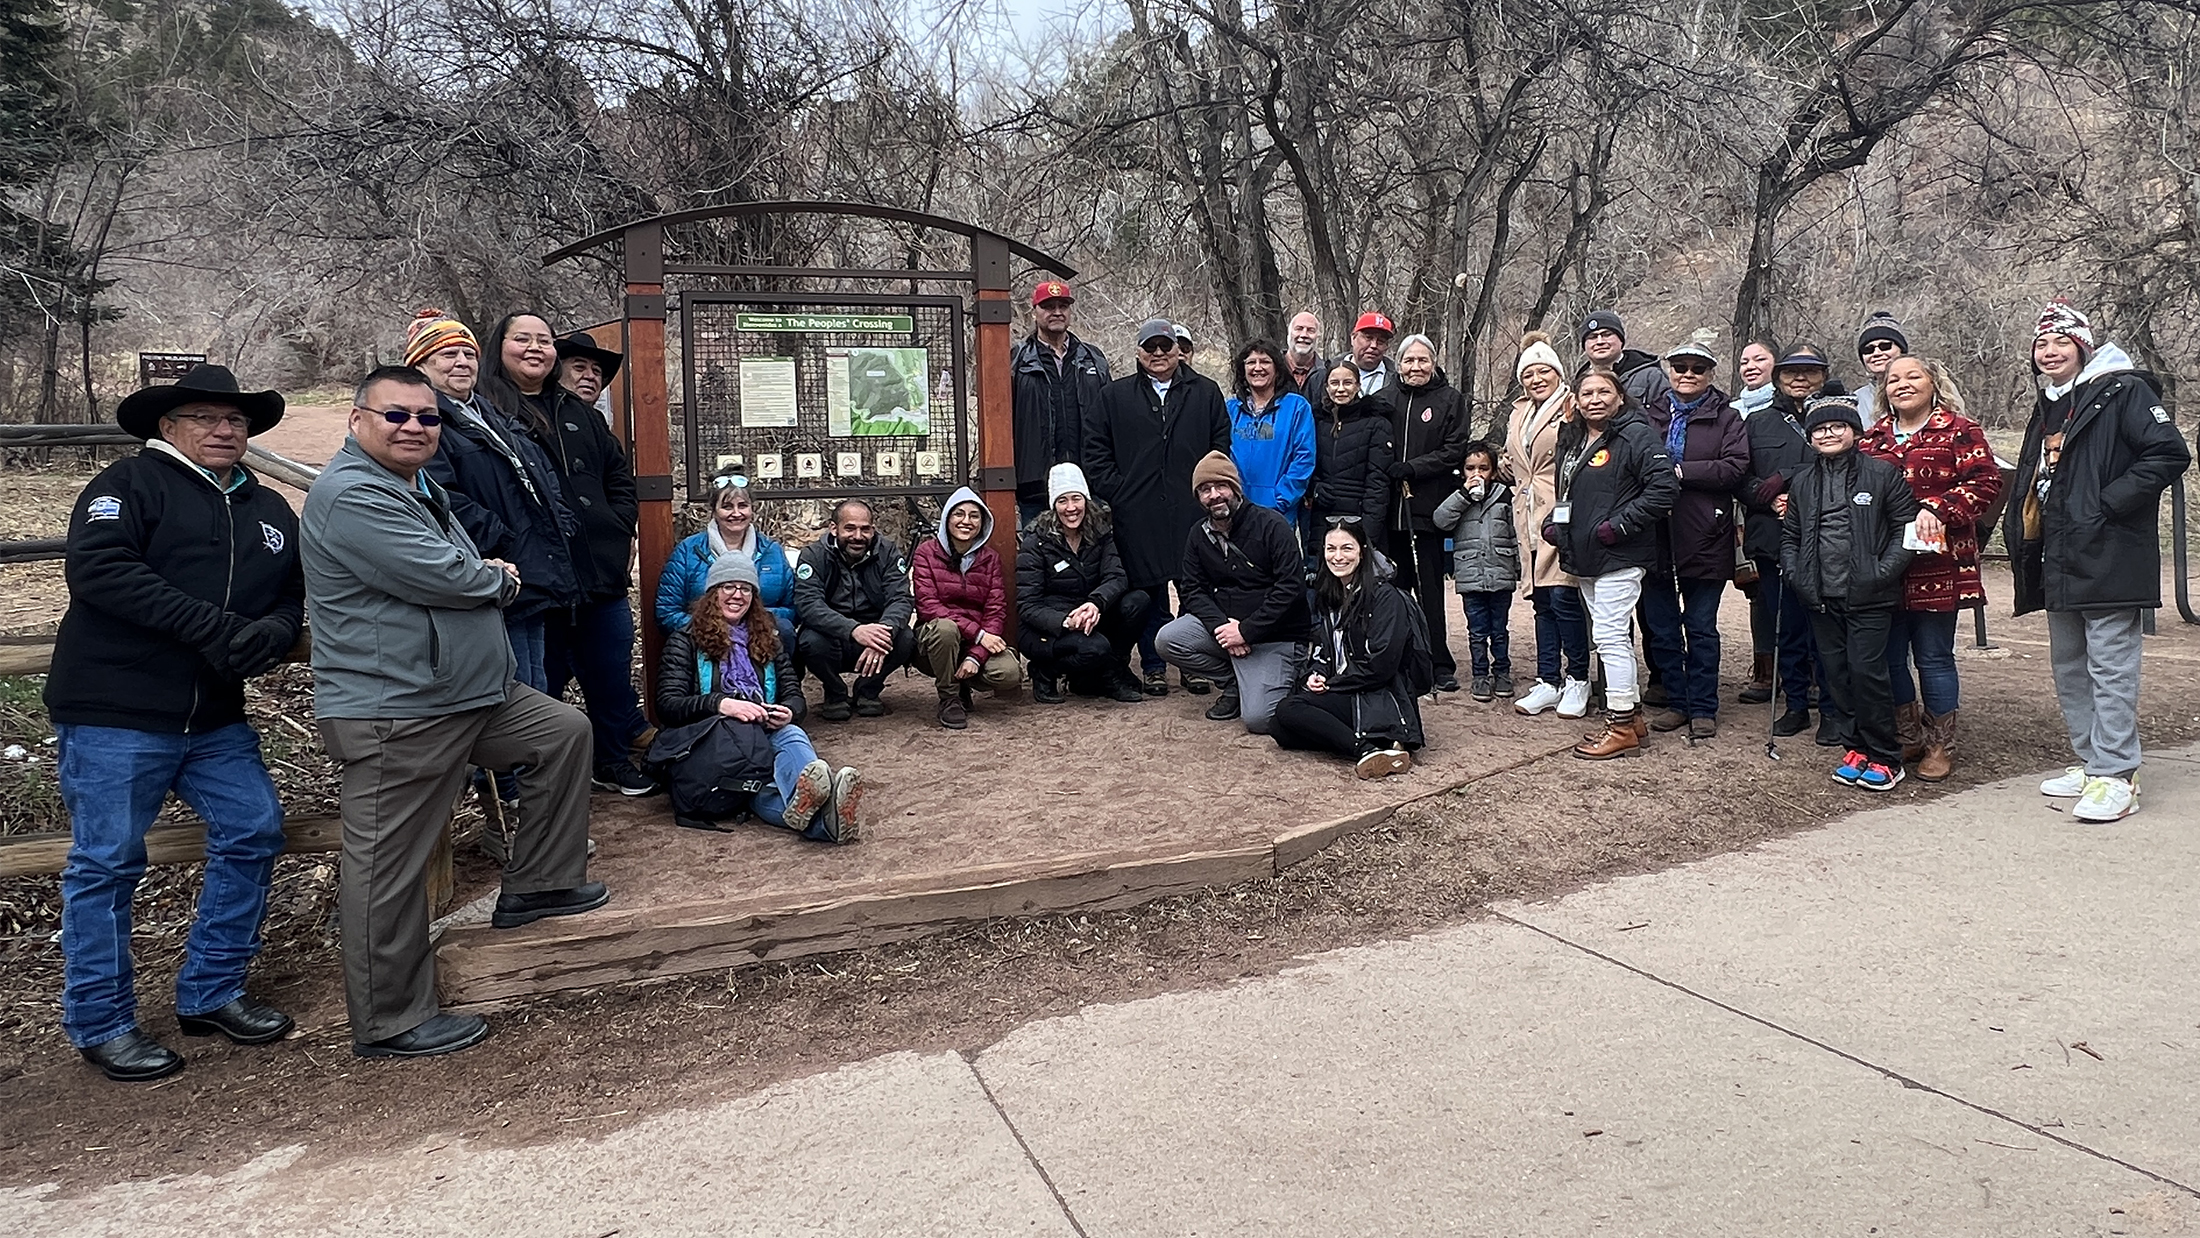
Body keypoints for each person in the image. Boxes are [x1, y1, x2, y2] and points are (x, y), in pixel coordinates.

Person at [306, 365, 606, 1060]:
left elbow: (449, 561)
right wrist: (498, 578)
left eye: (427, 417)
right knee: (387, 864)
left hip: (469, 694)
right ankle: (391, 1019)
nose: (415, 427)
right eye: (397, 415)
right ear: (358, 422)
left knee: (562, 732)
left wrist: (485, 576)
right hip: (398, 706)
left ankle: (539, 884)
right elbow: (445, 574)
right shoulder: (352, 494)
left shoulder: (416, 485)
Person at [45, 364, 303, 1083]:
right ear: (168, 426)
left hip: (214, 716)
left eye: (237, 420)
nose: (225, 430)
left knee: (253, 828)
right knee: (107, 862)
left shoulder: (269, 510)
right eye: (206, 418)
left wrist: (274, 634)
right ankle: (101, 1021)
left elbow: (291, 595)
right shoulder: (127, 486)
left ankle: (212, 989)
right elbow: (102, 572)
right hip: (115, 710)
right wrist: (217, 629)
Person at [2004, 299, 2192, 822]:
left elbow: (2169, 453)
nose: (2049, 351)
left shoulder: (2122, 390)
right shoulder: (2051, 403)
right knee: (2069, 664)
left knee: (2110, 664)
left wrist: (2106, 504)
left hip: (2108, 550)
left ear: (2083, 347)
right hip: (2059, 553)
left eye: (2061, 341)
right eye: (2041, 343)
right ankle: (2092, 762)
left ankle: (2117, 774)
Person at [481, 315, 653, 797]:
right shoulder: (491, 412)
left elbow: (619, 479)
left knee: (609, 667)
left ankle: (612, 758)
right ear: (503, 347)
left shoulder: (584, 417)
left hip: (599, 572)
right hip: (539, 578)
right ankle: (537, 785)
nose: (535, 349)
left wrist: (618, 526)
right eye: (523, 339)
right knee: (541, 681)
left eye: (543, 341)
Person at [405, 309, 579, 704]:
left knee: (537, 680)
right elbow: (439, 493)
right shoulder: (426, 421)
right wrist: (503, 539)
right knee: (510, 686)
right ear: (420, 366)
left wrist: (560, 522)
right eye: (446, 355)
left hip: (532, 569)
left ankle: (537, 764)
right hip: (490, 571)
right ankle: (513, 766)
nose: (461, 363)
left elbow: (539, 468)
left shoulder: (487, 412)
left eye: (467, 353)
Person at [1858, 356, 2003, 782]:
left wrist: (1939, 508)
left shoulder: (1960, 429)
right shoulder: (1874, 438)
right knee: (1888, 656)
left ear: (1933, 383)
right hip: (1886, 564)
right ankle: (1908, 734)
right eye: (1892, 379)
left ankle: (1940, 744)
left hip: (1938, 562)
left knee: (1933, 655)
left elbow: (1986, 481)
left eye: (1912, 376)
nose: (1901, 384)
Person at [650, 556, 860, 840]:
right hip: (716, 743)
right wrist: (720, 703)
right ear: (713, 593)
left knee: (792, 733)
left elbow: (793, 694)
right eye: (729, 587)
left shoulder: (769, 637)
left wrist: (788, 711)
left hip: (763, 733)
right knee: (762, 789)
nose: (738, 595)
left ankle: (817, 801)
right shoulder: (685, 639)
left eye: (745, 588)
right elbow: (668, 705)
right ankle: (828, 815)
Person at [1084, 316, 1232, 697]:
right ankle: (1153, 665)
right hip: (1137, 513)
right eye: (1150, 347)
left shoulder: (1205, 392)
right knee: (1149, 593)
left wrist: (1209, 492)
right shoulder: (1114, 396)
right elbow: (1095, 452)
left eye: (1165, 346)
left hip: (1192, 509)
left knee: (1195, 590)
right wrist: (1118, 492)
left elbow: (1220, 447)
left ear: (1178, 350)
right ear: (1138, 352)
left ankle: (1191, 664)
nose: (1159, 354)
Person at [1780, 392, 1919, 792]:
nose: (1828, 434)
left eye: (1837, 426)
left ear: (1854, 431)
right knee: (1836, 675)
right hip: (1820, 595)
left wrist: (1881, 572)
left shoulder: (1881, 474)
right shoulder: (1804, 481)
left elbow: (1904, 530)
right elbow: (1791, 535)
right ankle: (1854, 745)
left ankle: (1885, 756)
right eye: (1820, 429)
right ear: (1810, 438)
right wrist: (1796, 574)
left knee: (1868, 674)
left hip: (1869, 595)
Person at [1544, 368, 1679, 758]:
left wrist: (1616, 527)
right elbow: (1567, 491)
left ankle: (1619, 724)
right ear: (1577, 399)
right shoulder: (1572, 439)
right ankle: (1633, 719)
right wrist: (1557, 524)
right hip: (1583, 553)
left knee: (1609, 637)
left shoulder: (1635, 434)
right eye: (1587, 392)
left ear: (1620, 397)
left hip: (1619, 553)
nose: (1595, 399)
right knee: (1607, 635)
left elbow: (1664, 488)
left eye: (1604, 391)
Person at [1639, 338, 1750, 740]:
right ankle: (1677, 701)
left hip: (1705, 531)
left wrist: (1681, 471)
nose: (1688, 374)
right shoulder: (1648, 415)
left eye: (1697, 368)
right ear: (1669, 370)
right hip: (1654, 532)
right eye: (1680, 367)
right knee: (1662, 624)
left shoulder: (1727, 417)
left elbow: (1735, 466)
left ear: (1710, 374)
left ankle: (1704, 706)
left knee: (1700, 625)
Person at [1159, 452, 1313, 731]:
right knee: (1168, 639)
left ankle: (1287, 675)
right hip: (1228, 630)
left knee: (1260, 720)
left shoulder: (1272, 526)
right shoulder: (1198, 534)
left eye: (1221, 486)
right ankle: (1233, 682)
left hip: (1276, 636)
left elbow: (1291, 588)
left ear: (1235, 488)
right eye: (1205, 490)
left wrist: (1247, 631)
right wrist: (1223, 629)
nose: (1214, 495)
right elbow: (1193, 589)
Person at [1269, 518, 1428, 777]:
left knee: (1289, 711)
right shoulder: (1333, 594)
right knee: (1279, 729)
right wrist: (1316, 674)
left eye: (1347, 548)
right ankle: (1378, 746)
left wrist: (1333, 684)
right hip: (1347, 689)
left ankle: (1365, 749)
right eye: (1330, 549)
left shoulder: (1386, 597)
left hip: (1378, 693)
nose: (1337, 557)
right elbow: (1324, 650)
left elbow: (1382, 665)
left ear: (1362, 551)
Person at [1742, 342, 1842, 745]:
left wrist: (1787, 479)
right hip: (1772, 536)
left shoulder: (1837, 418)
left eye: (1810, 371)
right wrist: (1766, 495)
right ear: (1778, 376)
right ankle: (1796, 704)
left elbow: (1842, 465)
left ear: (1823, 374)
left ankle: (1833, 710)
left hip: (1827, 538)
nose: (1800, 378)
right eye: (1791, 371)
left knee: (1827, 629)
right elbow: (1739, 476)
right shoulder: (1757, 422)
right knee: (1787, 629)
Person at [1505, 332, 1591, 719]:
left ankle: (1577, 679)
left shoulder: (1571, 407)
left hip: (1560, 509)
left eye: (1543, 372)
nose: (1536, 379)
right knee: (1540, 600)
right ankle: (1547, 679)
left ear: (1557, 373)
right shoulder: (1518, 411)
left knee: (1563, 597)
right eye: (1529, 374)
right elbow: (1517, 455)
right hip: (1525, 512)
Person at [1017, 464, 1149, 704]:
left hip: (1090, 613)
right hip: (1049, 626)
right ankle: (1045, 671)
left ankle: (1108, 672)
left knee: (1137, 602)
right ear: (1053, 505)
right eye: (1062, 501)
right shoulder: (1035, 541)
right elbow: (1028, 606)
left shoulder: (1100, 532)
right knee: (1095, 648)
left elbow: (1116, 576)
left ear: (1086, 500)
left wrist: (1095, 603)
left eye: (1076, 499)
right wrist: (1066, 622)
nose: (1071, 508)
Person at [1385, 334, 1473, 693]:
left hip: (1428, 509)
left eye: (1423, 360)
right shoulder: (1384, 399)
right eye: (1409, 361)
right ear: (1400, 364)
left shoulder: (1450, 400)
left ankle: (1439, 662)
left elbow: (1454, 450)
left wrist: (1414, 468)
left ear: (1433, 363)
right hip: (1390, 512)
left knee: (1430, 590)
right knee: (1394, 588)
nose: (1416, 367)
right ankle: (1402, 659)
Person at [792, 498, 917, 719]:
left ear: (873, 529)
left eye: (865, 529)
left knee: (905, 637)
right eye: (849, 528)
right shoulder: (813, 555)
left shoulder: (887, 553)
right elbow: (809, 605)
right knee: (809, 640)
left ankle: (868, 689)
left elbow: (900, 598)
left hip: (876, 633)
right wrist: (854, 630)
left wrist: (883, 632)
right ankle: (835, 691)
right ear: (834, 528)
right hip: (833, 635)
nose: (858, 537)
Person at [913, 486, 1026, 728]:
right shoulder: (926, 553)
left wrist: (976, 655)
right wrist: (979, 634)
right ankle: (949, 697)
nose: (966, 521)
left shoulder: (990, 558)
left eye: (974, 516)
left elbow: (995, 609)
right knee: (945, 629)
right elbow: (928, 606)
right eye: (959, 514)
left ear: (983, 522)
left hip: (977, 642)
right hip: (936, 637)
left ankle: (964, 682)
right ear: (947, 518)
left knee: (1008, 673)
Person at [656, 471, 798, 648]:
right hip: (706, 642)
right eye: (727, 506)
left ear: (752, 509)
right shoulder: (687, 551)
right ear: (714, 511)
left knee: (784, 629)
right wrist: (715, 625)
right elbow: (667, 612)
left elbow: (793, 608)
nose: (736, 513)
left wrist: (752, 619)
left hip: (762, 640)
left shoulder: (773, 551)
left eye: (743, 505)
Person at [1011, 280, 1111, 527]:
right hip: (1035, 487)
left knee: (1091, 557)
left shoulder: (1093, 358)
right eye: (1048, 306)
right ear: (1034, 311)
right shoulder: (1016, 360)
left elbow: (1112, 419)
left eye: (1063, 306)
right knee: (1037, 557)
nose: (1057, 312)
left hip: (1088, 483)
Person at [1431, 441, 1519, 701]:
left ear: (1493, 470)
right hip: (1471, 574)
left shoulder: (1505, 495)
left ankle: (1502, 672)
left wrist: (1517, 566)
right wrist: (1464, 495)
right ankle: (1480, 674)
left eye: (1484, 468)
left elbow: (1515, 533)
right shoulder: (1458, 496)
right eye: (1471, 468)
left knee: (1500, 629)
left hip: (1500, 571)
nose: (1477, 473)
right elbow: (1441, 520)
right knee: (1477, 629)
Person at [1732, 337, 1782, 707]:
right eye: (1745, 360)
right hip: (1740, 509)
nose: (1750, 366)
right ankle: (1764, 668)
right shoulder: (1733, 410)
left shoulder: (1788, 410)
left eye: (1759, 359)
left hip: (1778, 509)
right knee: (1757, 591)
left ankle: (1803, 670)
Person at [1227, 339, 1317, 530]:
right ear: (1242, 370)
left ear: (1277, 368)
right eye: (1251, 362)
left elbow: (1304, 458)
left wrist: (1280, 499)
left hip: (1279, 512)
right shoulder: (1230, 410)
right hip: (1236, 510)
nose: (1257, 368)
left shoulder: (1296, 407)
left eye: (1265, 361)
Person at [1309, 361, 1395, 537]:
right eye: (1334, 383)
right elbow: (1305, 463)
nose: (1341, 389)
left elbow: (1378, 482)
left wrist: (1369, 530)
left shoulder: (1376, 423)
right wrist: (1314, 487)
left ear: (1358, 386)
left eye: (1347, 383)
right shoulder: (1316, 421)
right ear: (1326, 387)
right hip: (1322, 515)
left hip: (1359, 514)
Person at [1577, 309, 1670, 409]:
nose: (1600, 342)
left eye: (1607, 335)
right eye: (1592, 337)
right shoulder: (1579, 380)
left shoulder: (1651, 376)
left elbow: (1666, 418)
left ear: (1621, 340)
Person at [556, 329, 621, 425]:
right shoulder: (544, 417)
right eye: (579, 367)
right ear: (558, 373)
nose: (590, 376)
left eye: (596, 371)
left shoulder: (599, 422)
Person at [1853, 310, 1908, 425]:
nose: (1876, 353)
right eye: (1868, 349)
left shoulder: (1926, 388)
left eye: (1885, 346)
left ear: (1902, 351)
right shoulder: (1856, 400)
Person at [1344, 311, 1397, 397]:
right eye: (1368, 338)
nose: (1374, 345)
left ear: (1387, 346)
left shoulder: (1396, 379)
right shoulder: (1327, 373)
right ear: (1353, 338)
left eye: (1381, 341)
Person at [1285, 310, 1326, 400]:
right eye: (1299, 329)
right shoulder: (1274, 369)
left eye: (1311, 331)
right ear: (1289, 333)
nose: (1304, 335)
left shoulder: (1326, 373)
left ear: (1318, 337)